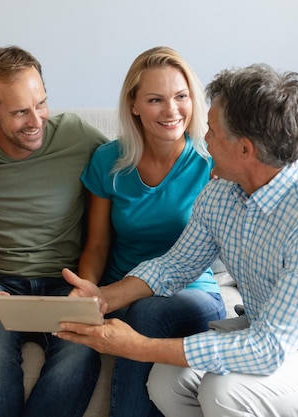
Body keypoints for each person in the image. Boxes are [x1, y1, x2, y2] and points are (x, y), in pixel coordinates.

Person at [57, 63, 298, 417]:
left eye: (212, 131)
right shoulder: (222, 189)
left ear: (245, 149)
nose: (203, 139)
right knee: (166, 382)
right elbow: (174, 265)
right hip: (262, 331)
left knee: (225, 391)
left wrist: (140, 346)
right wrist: (103, 297)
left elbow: (268, 349)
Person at [0, 46, 108, 417]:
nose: (36, 119)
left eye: (41, 103)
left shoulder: (77, 136)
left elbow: (135, 163)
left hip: (63, 280)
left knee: (82, 349)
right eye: (20, 111)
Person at [77, 46, 225, 417]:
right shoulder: (109, 160)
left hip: (193, 293)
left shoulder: (211, 164)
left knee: (148, 313)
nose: (172, 110)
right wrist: (87, 290)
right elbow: (96, 245)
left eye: (181, 96)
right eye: (156, 99)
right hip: (118, 290)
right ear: (134, 105)